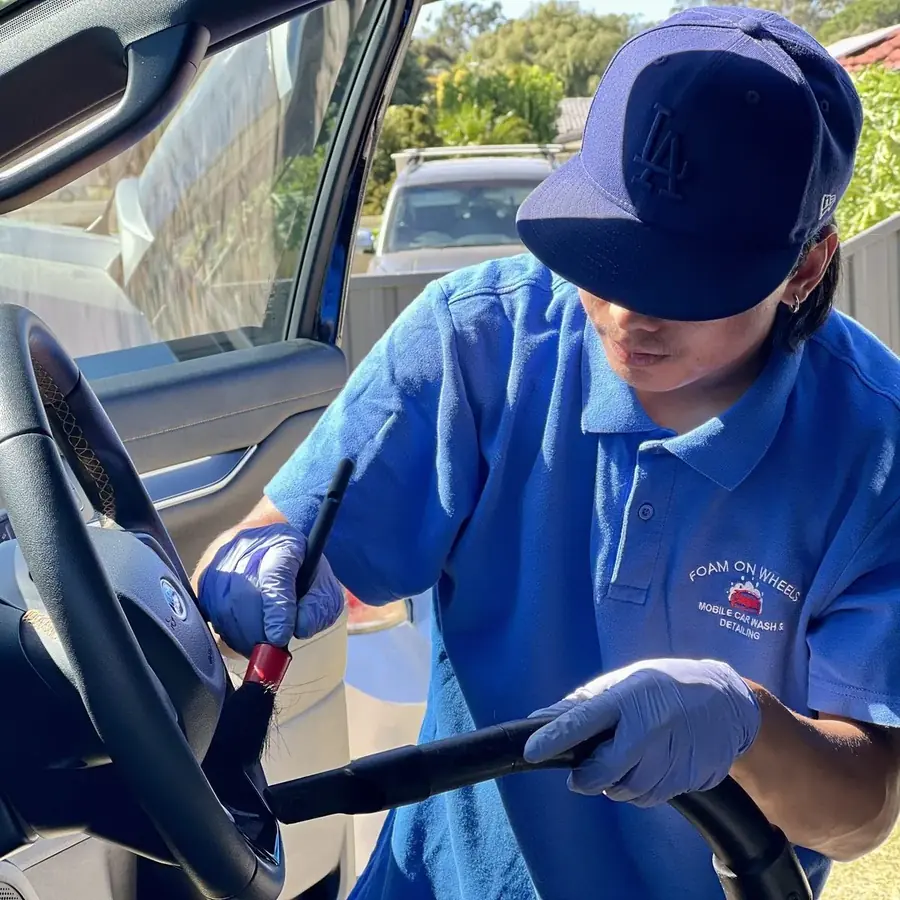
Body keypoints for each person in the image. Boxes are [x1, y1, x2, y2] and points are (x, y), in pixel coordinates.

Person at [194, 7, 900, 900]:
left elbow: (864, 805)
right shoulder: (481, 340)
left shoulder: (876, 450)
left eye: (681, 285)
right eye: (606, 253)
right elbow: (292, 545)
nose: (625, 314)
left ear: (804, 269)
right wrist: (259, 560)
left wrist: (749, 727)